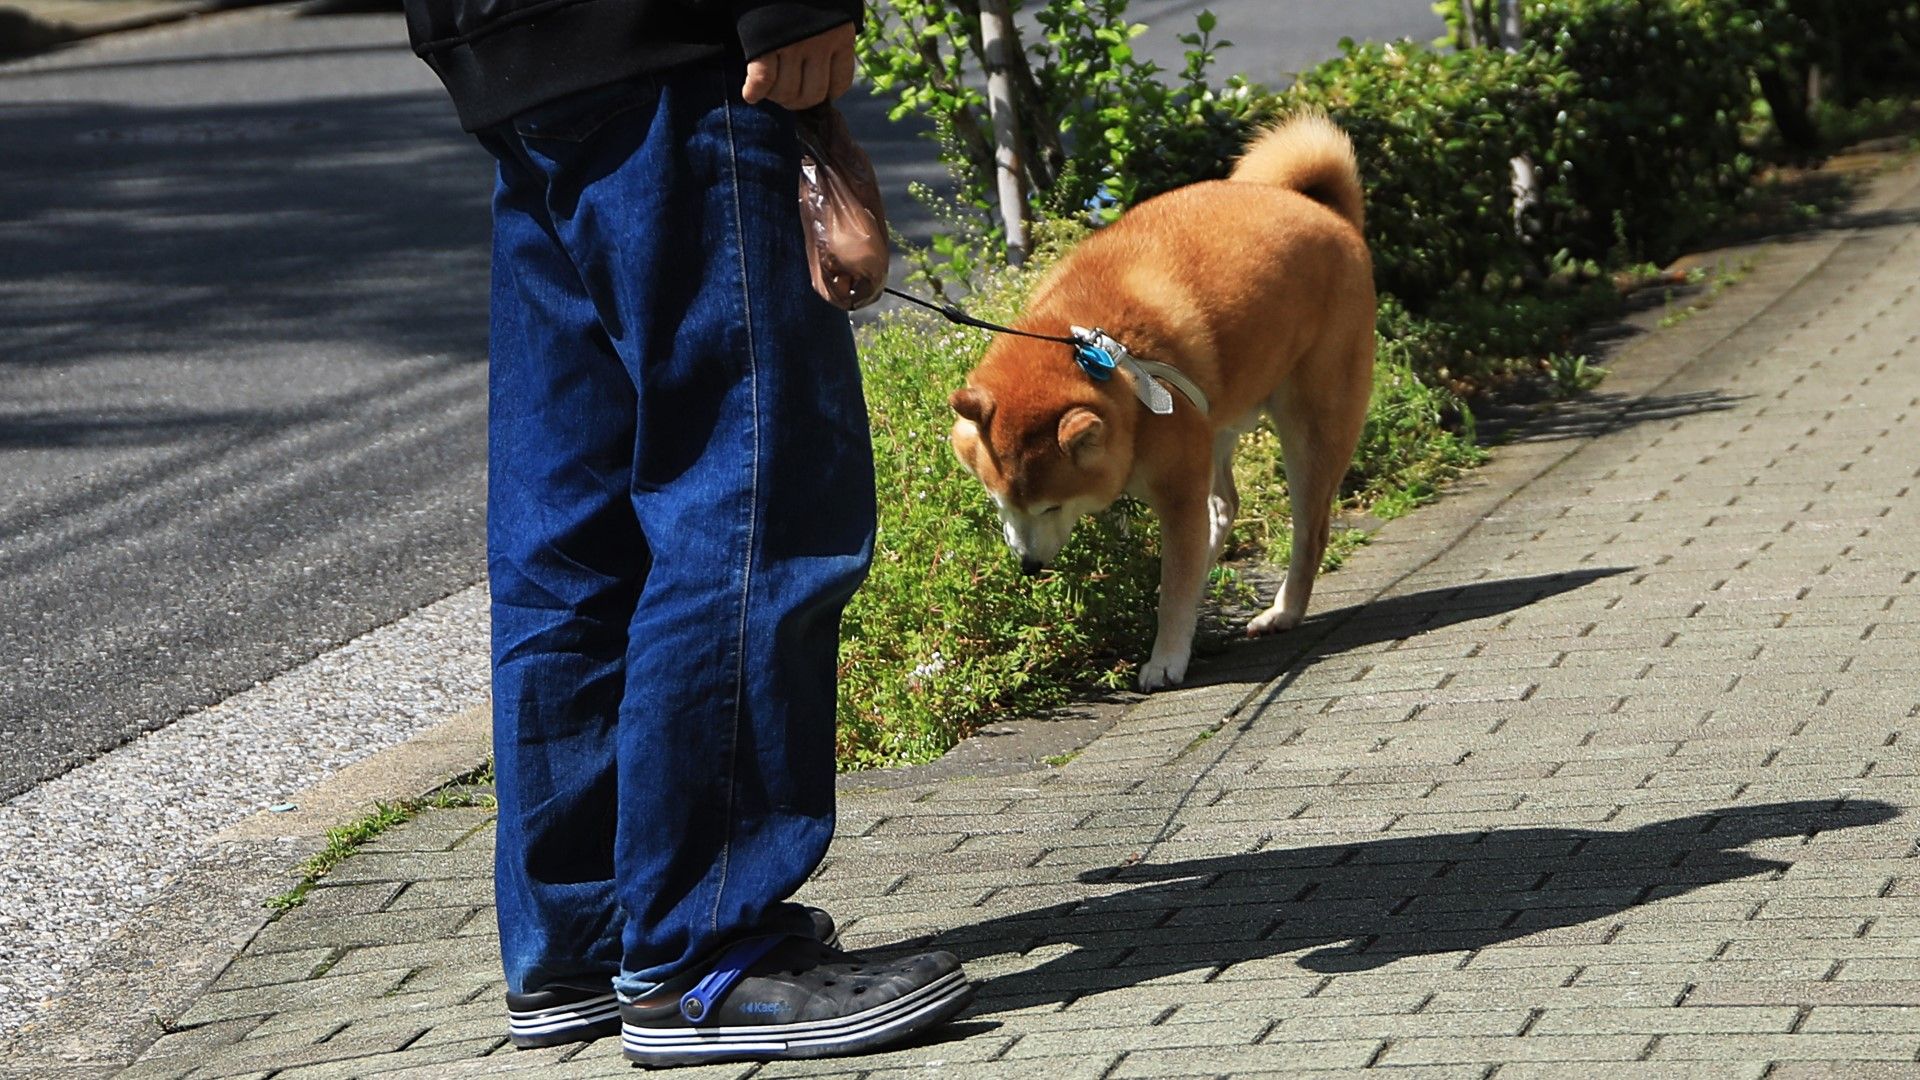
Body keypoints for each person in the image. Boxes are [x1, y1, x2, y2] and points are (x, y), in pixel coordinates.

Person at [399, 0, 975, 1067]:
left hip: (507, 52)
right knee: (754, 491)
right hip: (664, 37)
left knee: (575, 534)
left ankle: (585, 947)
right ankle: (705, 954)